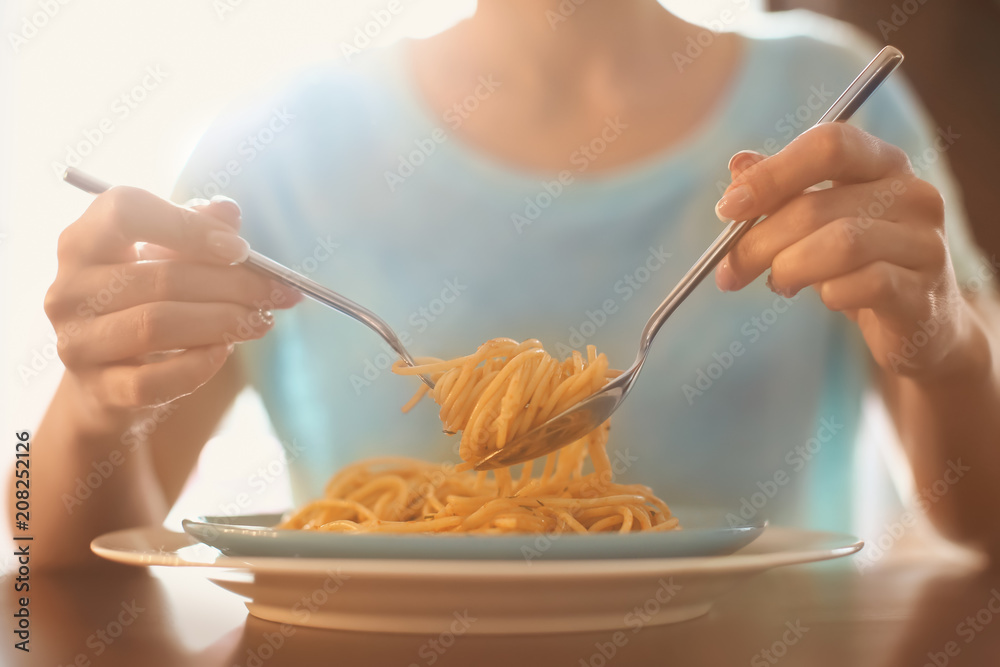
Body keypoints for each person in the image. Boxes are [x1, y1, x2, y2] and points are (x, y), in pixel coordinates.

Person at [29, 0, 1000, 568]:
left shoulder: (822, 104)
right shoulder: (271, 148)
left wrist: (950, 349)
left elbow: (981, 520)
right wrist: (88, 408)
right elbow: (43, 551)